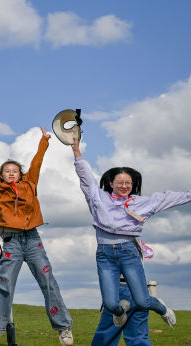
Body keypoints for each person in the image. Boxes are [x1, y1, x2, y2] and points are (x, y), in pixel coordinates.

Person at [0, 129, 73, 346]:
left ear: (20, 174)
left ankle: (63, 326)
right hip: (12, 241)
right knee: (4, 285)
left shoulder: (30, 185)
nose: (10, 173)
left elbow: (37, 162)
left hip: (33, 239)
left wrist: (44, 141)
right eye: (7, 171)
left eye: (15, 171)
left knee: (48, 280)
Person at [71, 138, 185, 328]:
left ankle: (162, 307)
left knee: (142, 302)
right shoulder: (97, 197)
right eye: (120, 182)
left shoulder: (141, 202)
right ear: (110, 183)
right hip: (104, 254)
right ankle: (119, 311)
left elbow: (169, 198)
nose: (124, 186)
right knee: (109, 304)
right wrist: (76, 152)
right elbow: (85, 177)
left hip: (128, 252)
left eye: (128, 183)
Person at [80, 275, 158, 346]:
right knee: (138, 334)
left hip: (121, 288)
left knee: (107, 332)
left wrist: (106, 299)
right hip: (140, 289)